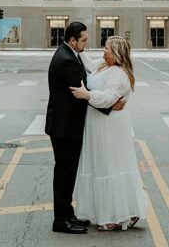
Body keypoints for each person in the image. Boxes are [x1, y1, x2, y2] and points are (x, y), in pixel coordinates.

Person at [46, 21, 120, 235]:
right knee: (64, 173)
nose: (87, 43)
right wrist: (110, 105)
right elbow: (83, 90)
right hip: (65, 126)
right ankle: (61, 220)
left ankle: (67, 214)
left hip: (65, 125)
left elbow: (90, 72)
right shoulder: (66, 60)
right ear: (73, 40)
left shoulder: (69, 53)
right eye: (84, 40)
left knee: (67, 173)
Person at [70, 36, 146, 232]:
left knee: (110, 165)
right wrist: (77, 44)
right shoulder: (103, 64)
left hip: (109, 125)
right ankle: (126, 210)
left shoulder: (118, 74)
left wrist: (87, 94)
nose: (103, 51)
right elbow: (87, 62)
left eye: (107, 49)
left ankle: (115, 215)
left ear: (117, 54)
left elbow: (109, 98)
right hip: (98, 122)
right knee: (103, 164)